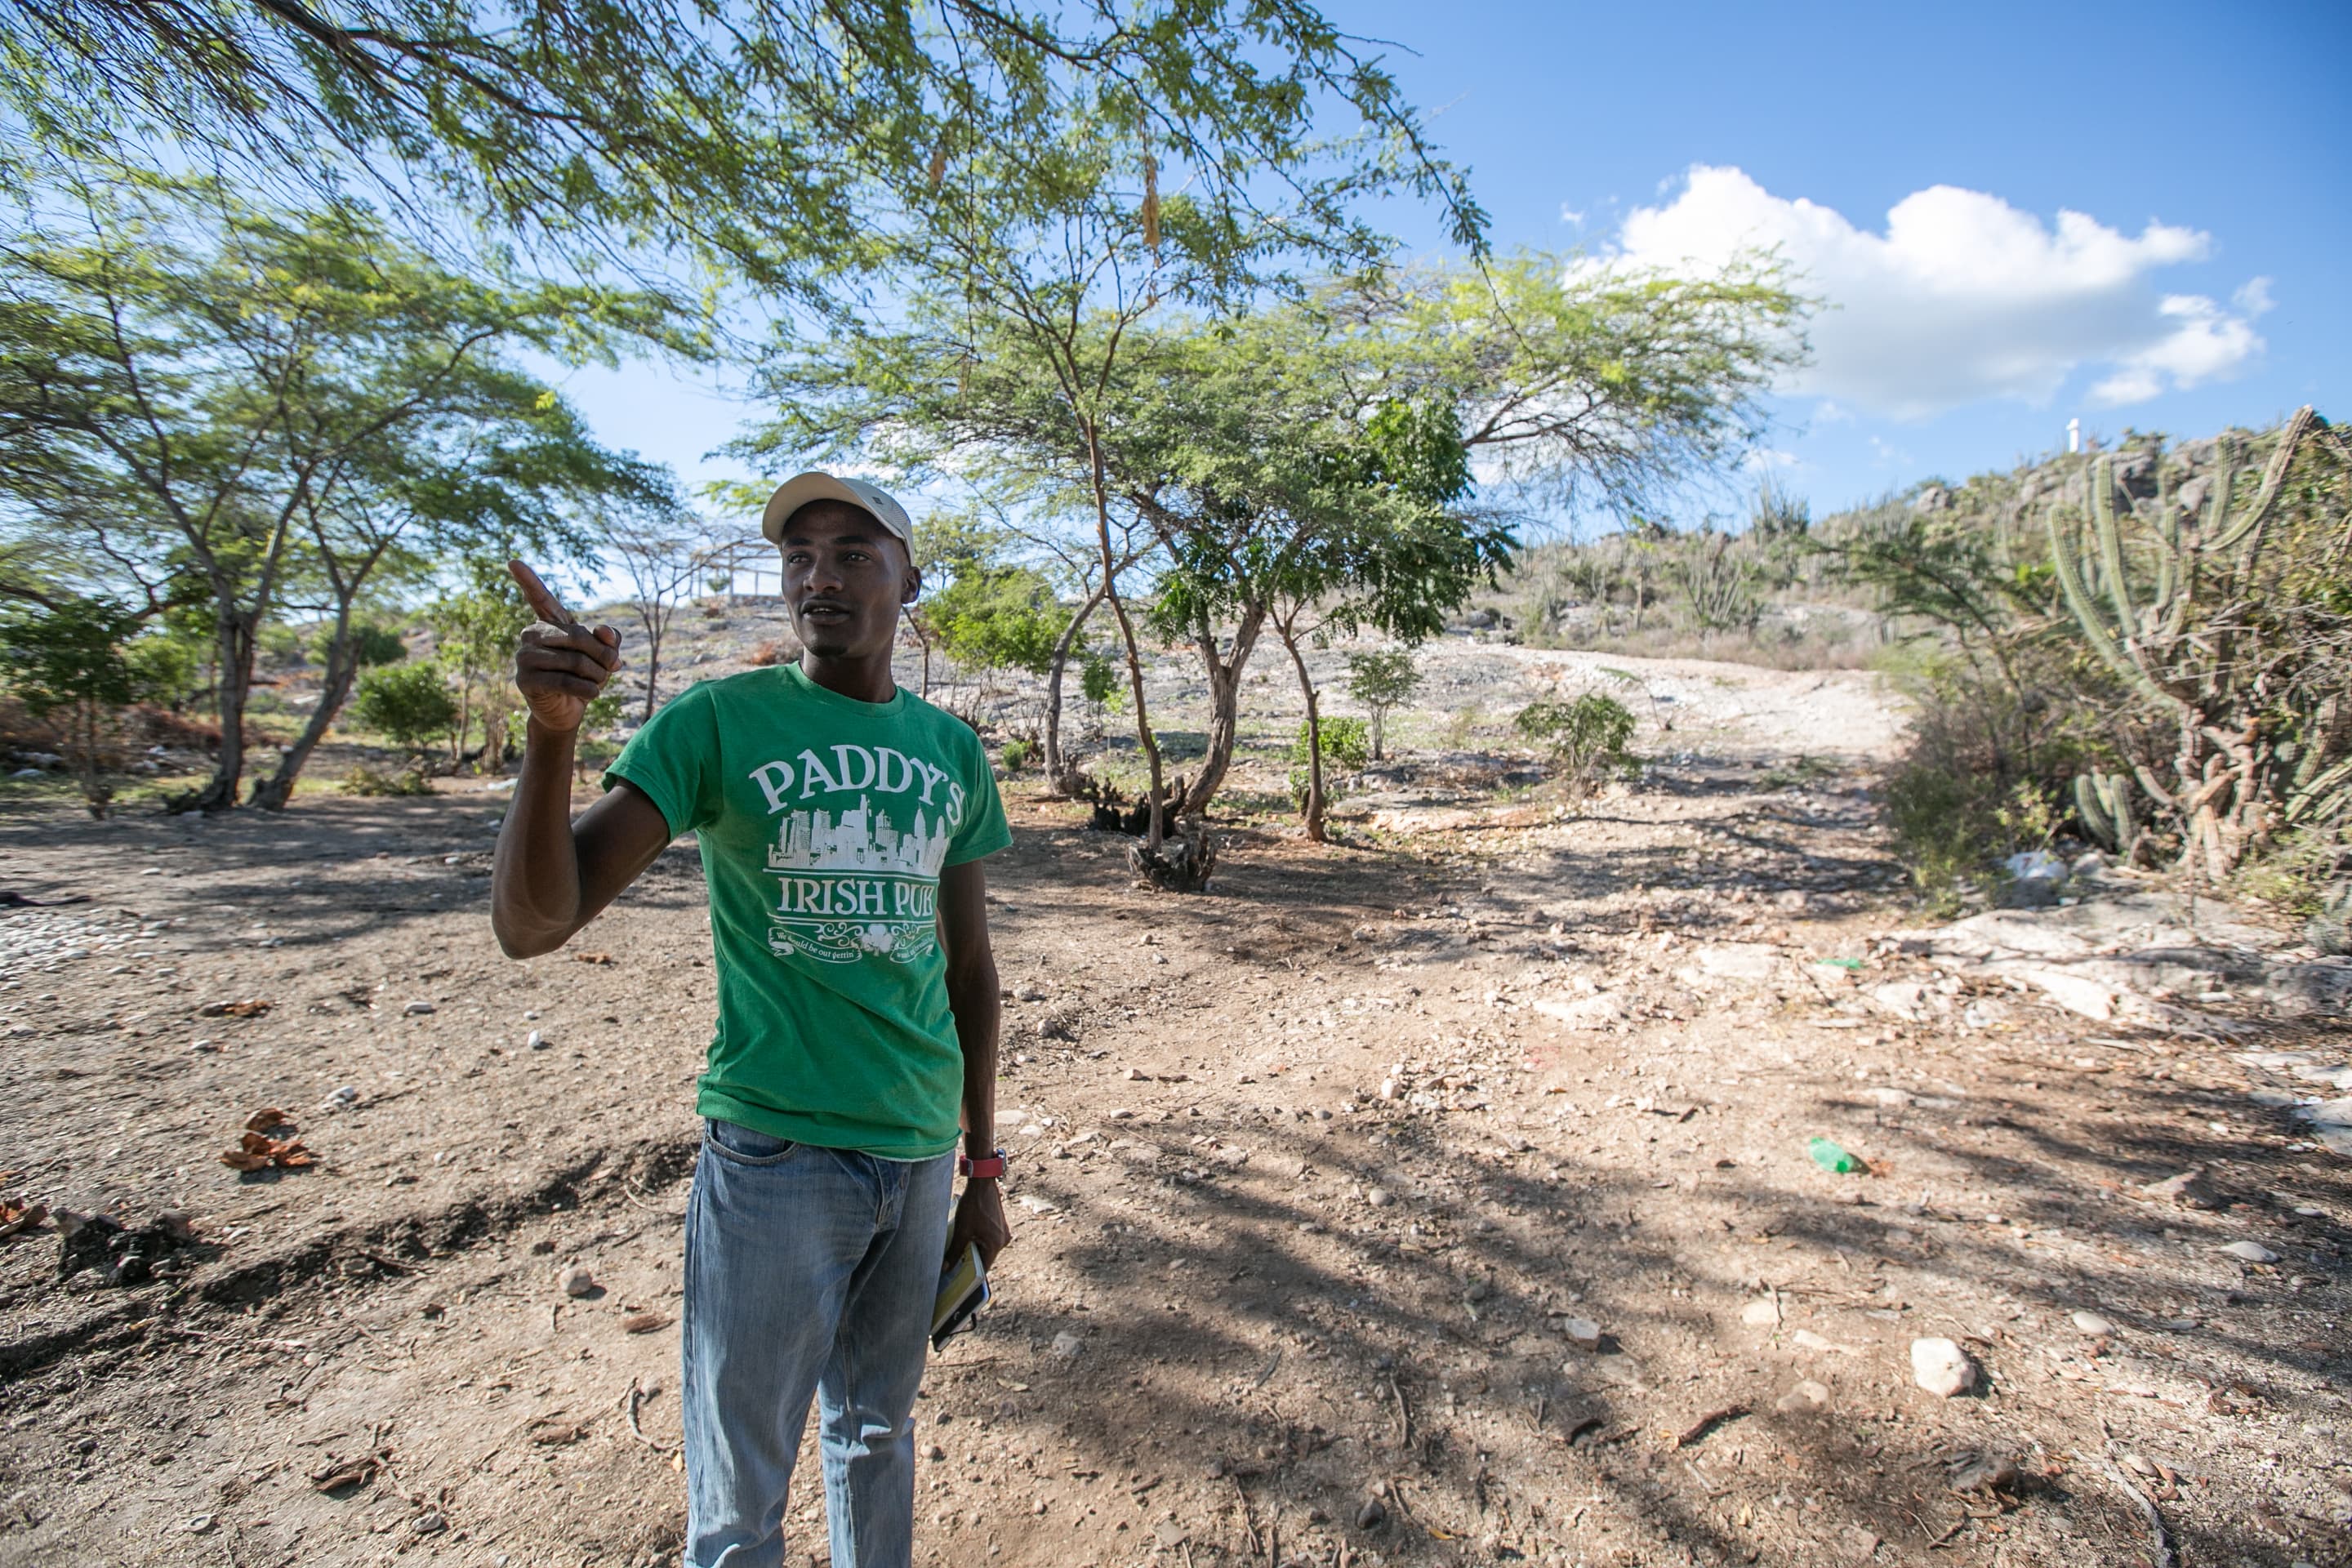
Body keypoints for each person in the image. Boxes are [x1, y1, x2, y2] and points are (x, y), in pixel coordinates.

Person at [490, 472, 1014, 1568]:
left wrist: (983, 1171)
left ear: (908, 582)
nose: (818, 577)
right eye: (799, 557)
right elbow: (538, 922)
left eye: (853, 554)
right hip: (779, 1158)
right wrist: (550, 737)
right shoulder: (719, 723)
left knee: (880, 1430)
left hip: (919, 1158)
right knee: (740, 1499)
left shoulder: (953, 752)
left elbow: (968, 970)